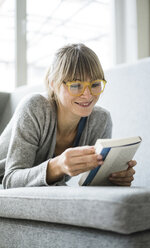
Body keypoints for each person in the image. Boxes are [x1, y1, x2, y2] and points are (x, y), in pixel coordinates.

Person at [0, 43, 136, 188]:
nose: (88, 94)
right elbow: (10, 181)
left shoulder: (101, 120)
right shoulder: (35, 107)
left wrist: (114, 179)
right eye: (76, 85)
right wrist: (57, 166)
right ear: (53, 84)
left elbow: (94, 185)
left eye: (95, 84)